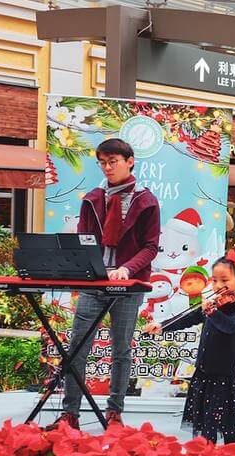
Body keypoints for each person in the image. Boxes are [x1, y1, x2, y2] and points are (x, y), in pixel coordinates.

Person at [52, 138, 160, 429]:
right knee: (77, 347)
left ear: (130, 161)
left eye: (113, 162)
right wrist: (89, 269)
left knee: (121, 349)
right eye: (103, 162)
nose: (108, 167)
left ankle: (114, 411)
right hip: (95, 283)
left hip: (129, 284)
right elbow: (83, 241)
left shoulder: (146, 200)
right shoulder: (92, 198)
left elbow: (150, 247)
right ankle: (70, 414)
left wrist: (126, 268)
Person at [143, 250, 235, 444]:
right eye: (215, 280)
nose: (218, 286)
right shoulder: (213, 306)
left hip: (227, 374)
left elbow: (230, 326)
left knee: (228, 423)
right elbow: (188, 318)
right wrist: (163, 326)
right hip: (205, 370)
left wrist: (212, 312)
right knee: (206, 421)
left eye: (224, 280)